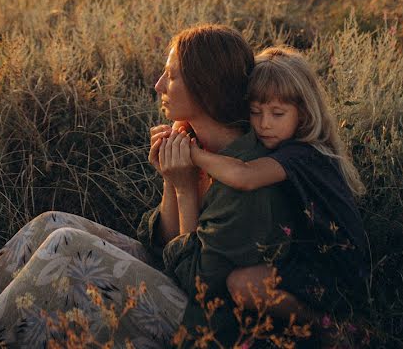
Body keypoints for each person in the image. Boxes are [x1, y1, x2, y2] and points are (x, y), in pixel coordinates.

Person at [0, 25, 297, 348]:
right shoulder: (194, 141)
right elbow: (161, 247)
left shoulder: (244, 172)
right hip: (179, 283)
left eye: (172, 75)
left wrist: (184, 189)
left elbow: (198, 284)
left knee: (66, 248)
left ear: (204, 88)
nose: (158, 84)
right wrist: (172, 180)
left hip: (204, 324)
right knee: (51, 224)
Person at [153, 46, 369, 331]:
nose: (265, 124)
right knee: (242, 284)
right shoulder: (278, 146)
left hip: (335, 271)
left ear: (303, 114)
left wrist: (193, 155)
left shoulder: (302, 155)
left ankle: (332, 326)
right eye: (255, 112)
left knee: (242, 285)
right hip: (303, 258)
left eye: (277, 113)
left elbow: (244, 175)